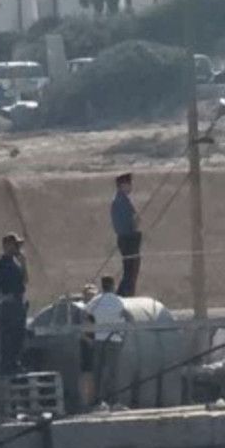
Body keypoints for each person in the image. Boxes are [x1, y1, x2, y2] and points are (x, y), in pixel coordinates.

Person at [86, 276, 133, 407]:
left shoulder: (96, 300)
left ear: (102, 286)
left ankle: (97, 402)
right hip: (114, 339)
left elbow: (86, 313)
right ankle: (114, 402)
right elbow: (129, 317)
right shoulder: (118, 301)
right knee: (112, 372)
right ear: (113, 286)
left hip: (99, 340)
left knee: (98, 371)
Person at [0, 233, 29, 376]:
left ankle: (15, 363)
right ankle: (6, 366)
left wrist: (23, 264)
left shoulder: (17, 262)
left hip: (19, 302)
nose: (18, 248)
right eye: (15, 245)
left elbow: (25, 280)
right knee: (7, 336)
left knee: (19, 335)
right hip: (8, 303)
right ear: (7, 246)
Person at [112, 172, 141, 297]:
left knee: (131, 271)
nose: (130, 187)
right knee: (130, 272)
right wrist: (134, 223)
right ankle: (124, 295)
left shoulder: (123, 200)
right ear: (122, 185)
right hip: (128, 239)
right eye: (128, 184)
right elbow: (124, 223)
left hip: (128, 238)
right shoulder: (120, 201)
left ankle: (126, 294)